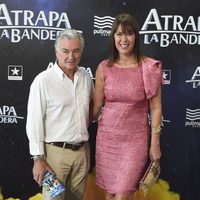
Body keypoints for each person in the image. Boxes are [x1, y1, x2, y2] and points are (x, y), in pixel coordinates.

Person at [92, 13, 163, 200]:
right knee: (109, 196)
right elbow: (96, 106)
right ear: (113, 37)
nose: (123, 39)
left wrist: (155, 145)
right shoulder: (104, 67)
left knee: (123, 195)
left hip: (135, 142)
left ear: (136, 37)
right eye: (119, 34)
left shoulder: (148, 67)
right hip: (107, 140)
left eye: (128, 34)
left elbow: (156, 109)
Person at [26, 29, 93, 200]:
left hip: (82, 156)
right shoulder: (43, 81)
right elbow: (34, 123)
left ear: (82, 51)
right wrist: (38, 159)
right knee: (53, 198)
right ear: (56, 51)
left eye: (76, 51)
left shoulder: (85, 77)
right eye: (65, 51)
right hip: (54, 158)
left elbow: (92, 111)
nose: (71, 56)